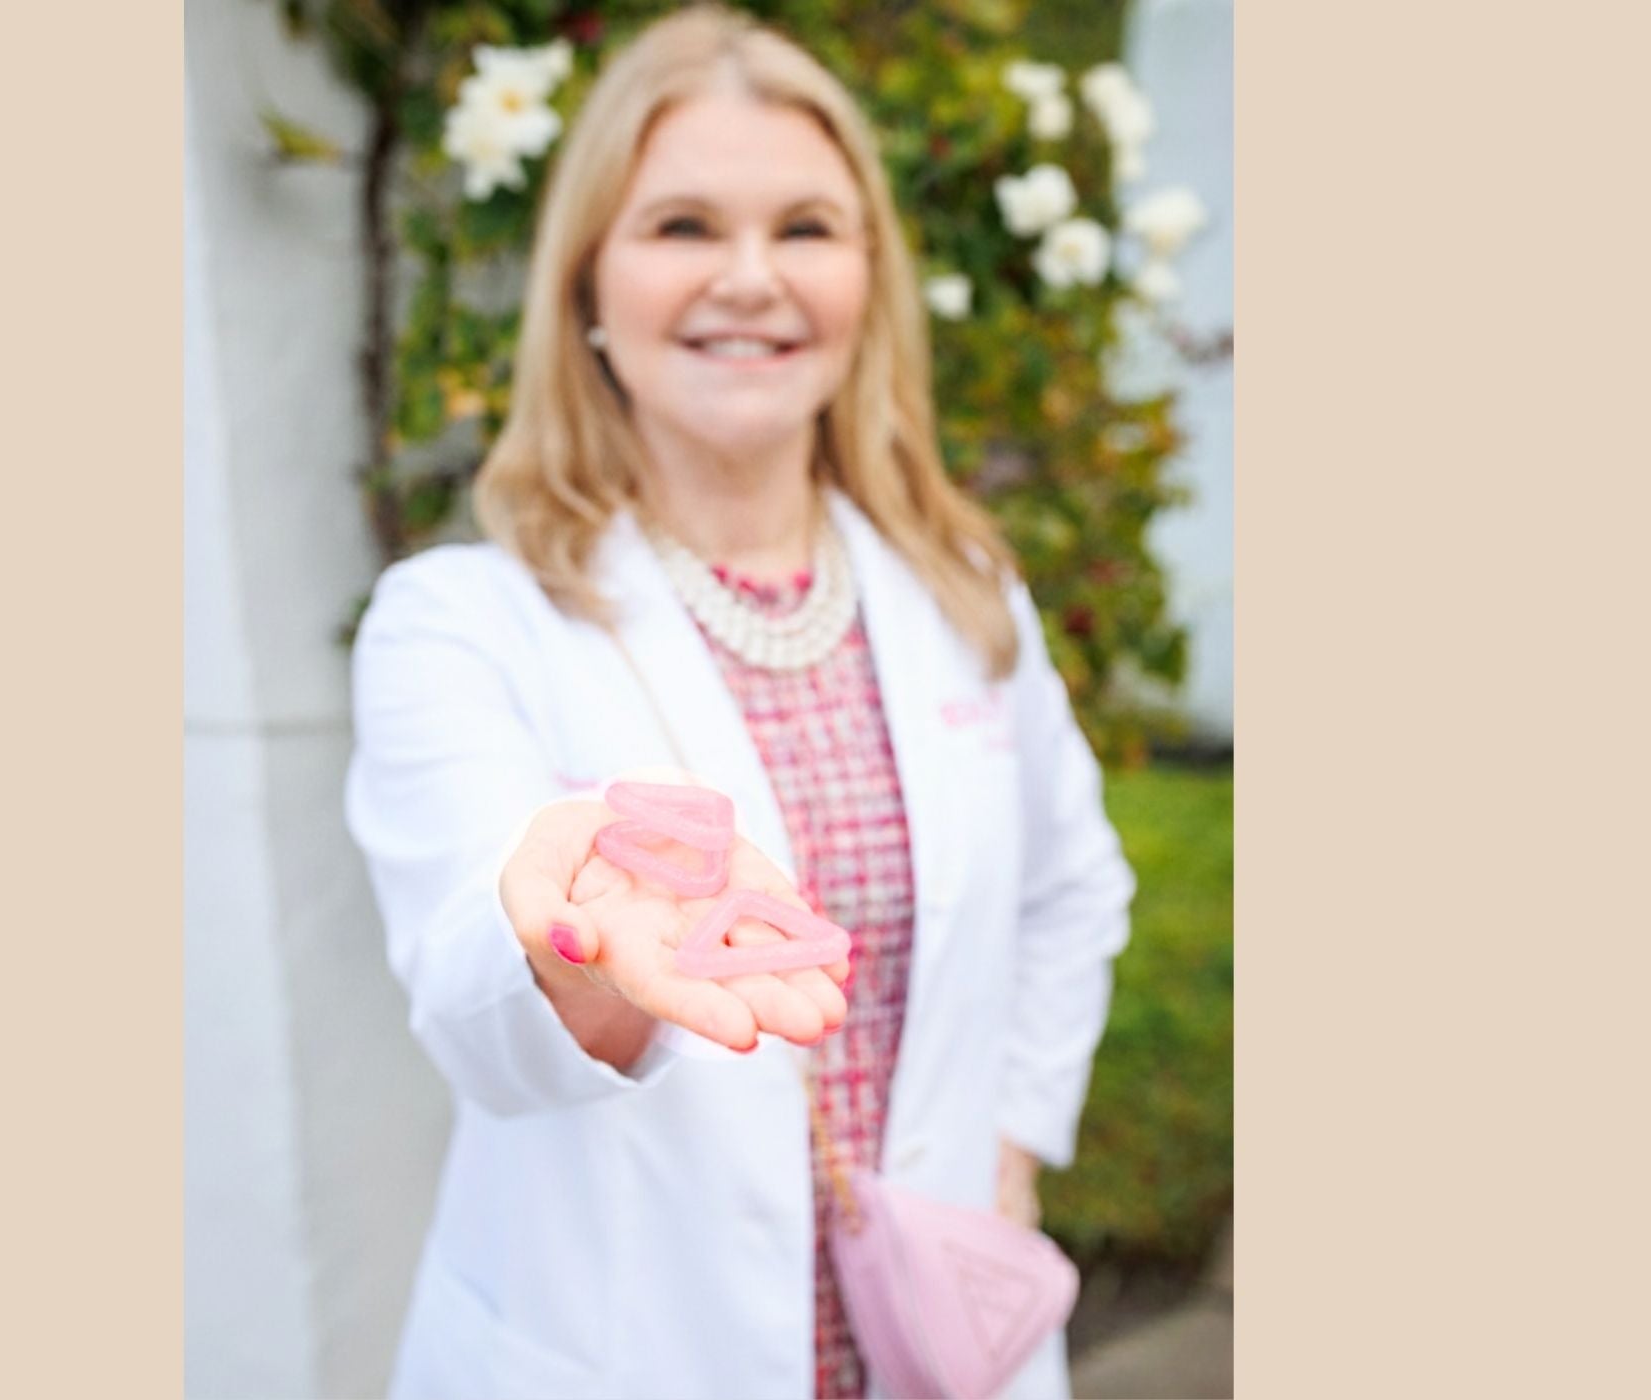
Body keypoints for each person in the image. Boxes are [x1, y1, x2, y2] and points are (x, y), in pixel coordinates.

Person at [345, 7, 1135, 1397]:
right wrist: (576, 953)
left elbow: (1076, 889)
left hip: (937, 1345)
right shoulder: (465, 623)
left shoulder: (964, 594)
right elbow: (480, 1016)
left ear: (868, 281)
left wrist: (1010, 1147)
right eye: (685, 226)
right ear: (588, 281)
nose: (752, 279)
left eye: (808, 229)